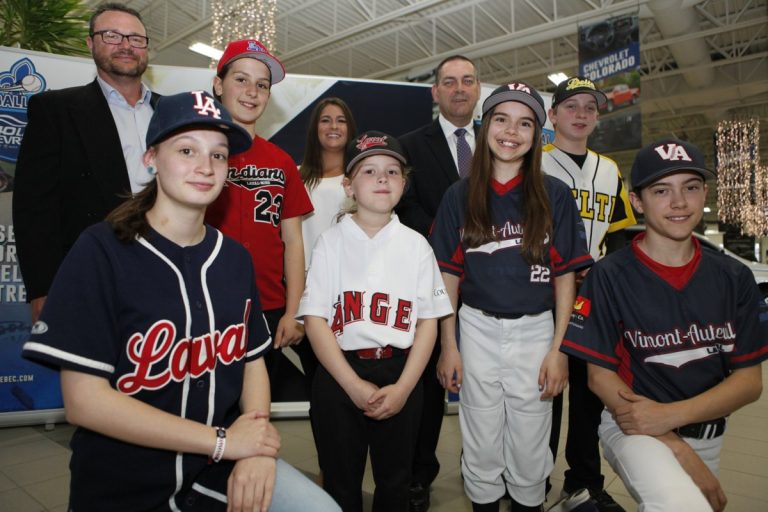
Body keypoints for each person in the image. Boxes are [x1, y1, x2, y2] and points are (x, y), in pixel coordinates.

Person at [21, 90, 340, 512]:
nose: (205, 167)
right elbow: (84, 401)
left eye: (219, 155)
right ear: (150, 157)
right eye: (187, 150)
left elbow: (251, 362)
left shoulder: (233, 258)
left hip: (216, 470)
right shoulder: (101, 250)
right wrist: (227, 442)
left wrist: (257, 443)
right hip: (126, 480)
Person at [560, 138, 767, 512]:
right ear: (637, 201)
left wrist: (672, 421)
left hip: (707, 432)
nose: (679, 202)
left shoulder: (733, 277)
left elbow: (750, 382)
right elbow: (598, 378)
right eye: (661, 190)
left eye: (690, 187)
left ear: (705, 192)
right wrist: (673, 442)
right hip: (631, 427)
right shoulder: (609, 275)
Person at [430, 83, 592, 512]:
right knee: (480, 434)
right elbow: (446, 276)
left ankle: (527, 503)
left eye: (525, 123)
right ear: (485, 128)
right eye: (501, 119)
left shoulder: (553, 194)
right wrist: (449, 346)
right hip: (476, 326)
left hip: (537, 330)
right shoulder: (459, 195)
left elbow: (566, 279)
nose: (511, 132)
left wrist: (559, 350)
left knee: (531, 436)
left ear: (539, 134)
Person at [298, 131, 453, 511]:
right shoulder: (330, 243)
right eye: (369, 170)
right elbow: (316, 320)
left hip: (402, 371)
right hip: (339, 372)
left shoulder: (417, 245)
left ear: (404, 183)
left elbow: (428, 322)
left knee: (396, 482)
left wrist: (403, 389)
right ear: (349, 185)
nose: (382, 178)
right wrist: (351, 384)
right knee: (339, 481)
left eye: (392, 171)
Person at [13, 2, 158, 322]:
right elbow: (34, 207)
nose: (125, 45)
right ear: (90, 43)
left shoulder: (171, 113)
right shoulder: (56, 110)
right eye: (112, 35)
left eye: (135, 38)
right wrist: (43, 287)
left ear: (146, 49)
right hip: (88, 275)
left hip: (165, 272)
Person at [542, 76, 635, 512]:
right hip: (541, 291)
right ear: (552, 114)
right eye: (571, 106)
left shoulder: (610, 169)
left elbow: (618, 235)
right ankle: (530, 478)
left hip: (591, 297)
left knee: (586, 396)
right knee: (543, 394)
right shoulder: (534, 163)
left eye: (589, 108)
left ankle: (582, 483)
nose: (580, 114)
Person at [395, 54, 481, 511]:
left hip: (495, 285)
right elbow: (404, 211)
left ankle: (483, 468)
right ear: (435, 92)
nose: (460, 88)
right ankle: (418, 476)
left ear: (478, 88)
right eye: (450, 82)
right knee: (429, 386)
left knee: (486, 384)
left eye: (468, 80)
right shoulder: (409, 146)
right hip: (430, 280)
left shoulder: (501, 141)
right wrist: (454, 242)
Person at [206, 39, 313, 401]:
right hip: (204, 302)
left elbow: (294, 240)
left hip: (266, 307)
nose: (252, 92)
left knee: (255, 409)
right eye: (241, 79)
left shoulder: (281, 161)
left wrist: (295, 311)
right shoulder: (195, 152)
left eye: (262, 84)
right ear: (219, 84)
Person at [298, 97, 357, 397]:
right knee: (320, 389)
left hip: (353, 298)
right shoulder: (296, 178)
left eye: (341, 120)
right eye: (325, 120)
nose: (333, 126)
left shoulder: (361, 178)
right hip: (311, 299)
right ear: (314, 129)